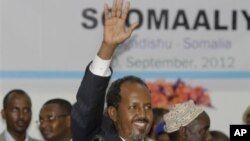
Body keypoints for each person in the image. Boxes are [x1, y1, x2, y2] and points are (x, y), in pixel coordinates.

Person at [71, 0, 153, 141]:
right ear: (113, 113)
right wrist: (108, 47)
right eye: (133, 107)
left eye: (148, 107)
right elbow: (87, 109)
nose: (143, 114)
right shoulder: (96, 137)